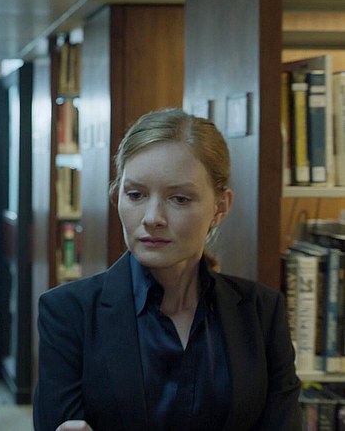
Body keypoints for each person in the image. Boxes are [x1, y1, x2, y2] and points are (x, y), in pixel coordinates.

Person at [33, 109, 301, 431]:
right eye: (135, 195)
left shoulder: (262, 312)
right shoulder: (68, 312)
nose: (152, 218)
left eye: (179, 199)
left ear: (220, 207)